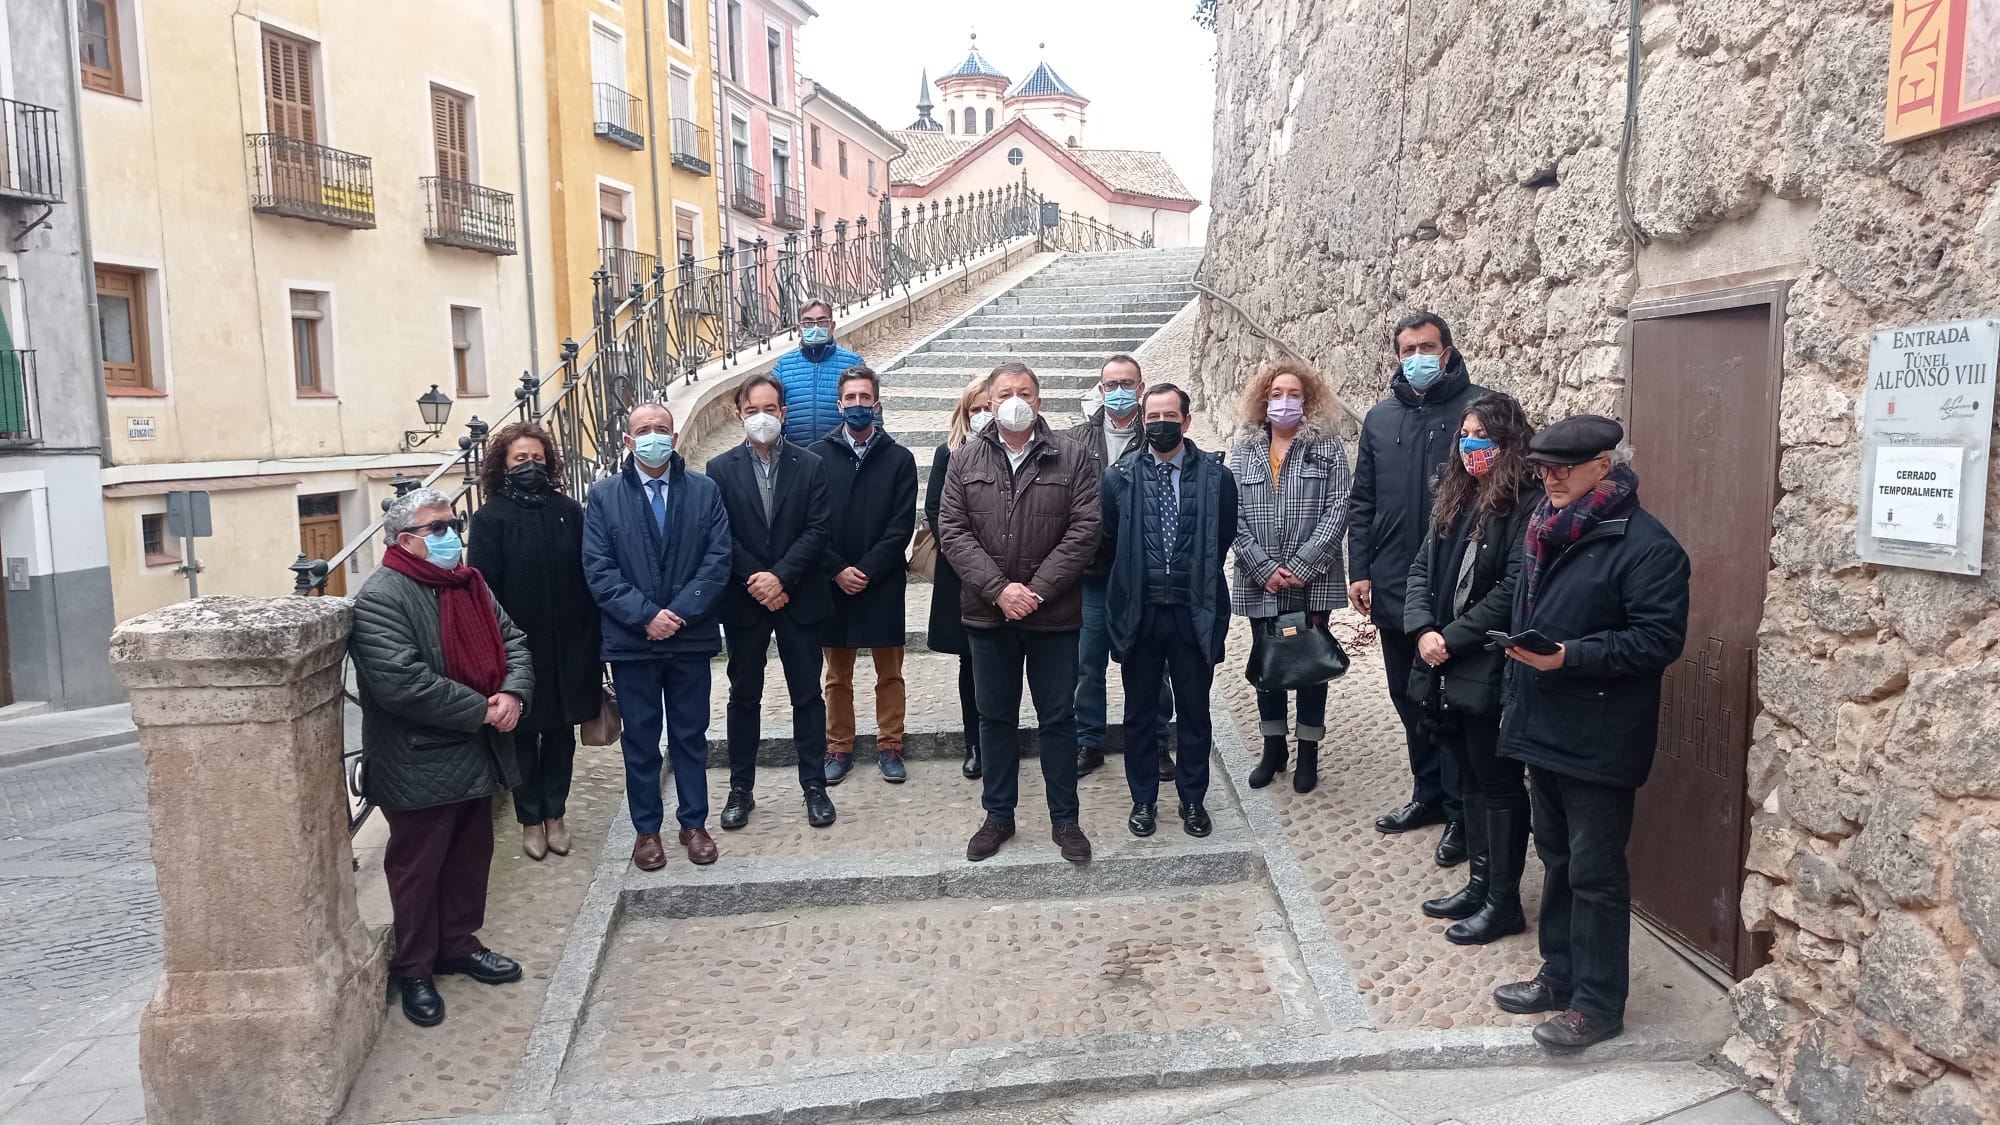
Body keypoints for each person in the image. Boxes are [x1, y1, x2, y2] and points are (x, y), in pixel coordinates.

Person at [1489, 415, 1689, 1052]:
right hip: (1542, 726)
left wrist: (1570, 655)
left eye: (1562, 469)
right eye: (1542, 468)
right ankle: (1562, 975)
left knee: (1597, 875)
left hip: (1600, 737)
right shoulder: (1544, 528)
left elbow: (1658, 641)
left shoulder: (1649, 547)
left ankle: (1599, 1005)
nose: (1548, 478)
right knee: (1556, 860)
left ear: (1604, 466)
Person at [352, 488, 533, 1027]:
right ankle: (414, 968)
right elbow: (401, 682)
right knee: (417, 868)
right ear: (405, 539)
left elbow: (515, 641)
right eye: (437, 528)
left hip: (478, 751)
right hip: (419, 757)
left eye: (452, 524)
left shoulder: (469, 583)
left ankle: (458, 942)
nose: (450, 535)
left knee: (470, 855)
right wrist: (484, 708)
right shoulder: (382, 596)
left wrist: (514, 695)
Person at [938, 361, 1101, 864]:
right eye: (1005, 392)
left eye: (1025, 391)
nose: (1015, 400)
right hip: (988, 617)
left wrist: (1034, 590)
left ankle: (1065, 820)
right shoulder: (964, 460)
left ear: (1040, 400)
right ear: (987, 401)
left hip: (1053, 617)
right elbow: (952, 531)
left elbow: (1085, 530)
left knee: (1058, 718)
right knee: (995, 718)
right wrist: (999, 590)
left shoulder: (1073, 457)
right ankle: (998, 815)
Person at [1348, 310, 1490, 865]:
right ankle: (1427, 794)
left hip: (1454, 589)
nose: (1416, 359)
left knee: (1450, 703)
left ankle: (1461, 813)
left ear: (1448, 352)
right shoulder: (1381, 419)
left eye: (1426, 347)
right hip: (1391, 583)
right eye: (1407, 350)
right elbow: (1362, 501)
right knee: (1408, 698)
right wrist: (1359, 569)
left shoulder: (1477, 412)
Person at [1404, 393, 1539, 944]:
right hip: (1444, 660)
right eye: (1463, 436)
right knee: (1472, 780)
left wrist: (1451, 639)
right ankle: (1480, 884)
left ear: (1507, 442)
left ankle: (1504, 901)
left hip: (1485, 661)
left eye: (1480, 436)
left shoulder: (1524, 503)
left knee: (1498, 782)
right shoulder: (1455, 497)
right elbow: (1420, 568)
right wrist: (1421, 629)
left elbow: (1512, 589)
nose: (1469, 446)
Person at [582, 403, 733, 870]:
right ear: (628, 442)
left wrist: (680, 613)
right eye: (643, 430)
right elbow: (598, 568)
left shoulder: (705, 491)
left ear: (674, 436)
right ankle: (647, 831)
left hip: (690, 639)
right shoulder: (604, 497)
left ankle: (694, 823)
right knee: (641, 742)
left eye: (661, 429)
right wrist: (645, 616)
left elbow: (718, 558)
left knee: (691, 736)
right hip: (632, 643)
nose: (653, 437)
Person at [1099, 383, 1236, 838]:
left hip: (1193, 612)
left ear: (1187, 421)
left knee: (1195, 711)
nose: (1161, 424)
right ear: (1143, 421)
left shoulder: (1218, 478)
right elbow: (1113, 538)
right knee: (1139, 713)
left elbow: (1222, 537)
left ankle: (1193, 800)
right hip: (1140, 613)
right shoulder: (1119, 476)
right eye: (1152, 416)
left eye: (1169, 416)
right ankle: (1143, 800)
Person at [706, 373, 837, 830]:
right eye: (752, 410)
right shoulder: (719, 469)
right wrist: (757, 580)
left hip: (799, 596)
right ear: (738, 414)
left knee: (807, 694)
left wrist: (780, 576)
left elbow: (819, 529)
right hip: (744, 601)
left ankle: (814, 786)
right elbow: (720, 534)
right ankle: (741, 789)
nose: (762, 417)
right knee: (744, 695)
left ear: (783, 413)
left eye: (770, 409)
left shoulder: (811, 463)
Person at [468, 422, 603, 861]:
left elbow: (587, 573)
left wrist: (593, 639)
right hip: (518, 647)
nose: (529, 465)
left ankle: (557, 814)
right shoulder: (491, 518)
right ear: (503, 466)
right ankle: (530, 818)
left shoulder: (569, 510)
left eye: (537, 458)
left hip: (571, 643)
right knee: (522, 734)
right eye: (519, 459)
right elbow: (483, 590)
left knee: (562, 734)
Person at [1227, 359, 1352, 794]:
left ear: (1308, 399)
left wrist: (1303, 565)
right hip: (1259, 577)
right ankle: (1273, 747)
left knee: (1311, 664)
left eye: (1294, 394)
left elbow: (1339, 508)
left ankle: (1309, 753)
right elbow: (1233, 514)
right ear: (1263, 400)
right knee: (1270, 662)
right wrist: (1262, 566)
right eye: (1276, 394)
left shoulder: (1328, 448)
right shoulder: (1244, 450)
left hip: (1312, 582)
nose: (1285, 402)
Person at [1065, 354, 1173, 781]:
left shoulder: (1158, 438)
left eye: (1128, 382)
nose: (1120, 391)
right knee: (1086, 663)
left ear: (1141, 387)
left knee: (1151, 663)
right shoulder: (1073, 441)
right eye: (1112, 384)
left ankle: (1157, 740)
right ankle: (1088, 740)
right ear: (1100, 388)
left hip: (1143, 574)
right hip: (1091, 574)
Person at [813, 365, 919, 784]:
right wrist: (838, 568)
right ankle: (838, 747)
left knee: (889, 671)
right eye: (851, 398)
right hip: (832, 582)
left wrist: (869, 569)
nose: (858, 405)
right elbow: (812, 523)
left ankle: (890, 743)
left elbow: (901, 525)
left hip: (883, 581)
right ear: (840, 404)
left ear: (877, 403)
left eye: (865, 398)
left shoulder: (899, 458)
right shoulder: (815, 457)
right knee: (837, 675)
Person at [925, 378, 992, 781]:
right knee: (972, 661)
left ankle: (1000, 735)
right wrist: (971, 557)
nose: (983, 414)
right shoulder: (948, 454)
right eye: (976, 408)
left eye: (989, 406)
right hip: (964, 574)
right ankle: (974, 741)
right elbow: (936, 511)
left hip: (1012, 572)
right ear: (965, 413)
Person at [774, 298, 864, 445]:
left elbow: (869, 410)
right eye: (808, 323)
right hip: (797, 455)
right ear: (799, 328)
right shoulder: (783, 367)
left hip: (841, 452)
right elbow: (774, 415)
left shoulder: (853, 364)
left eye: (822, 322)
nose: (815, 327)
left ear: (832, 325)